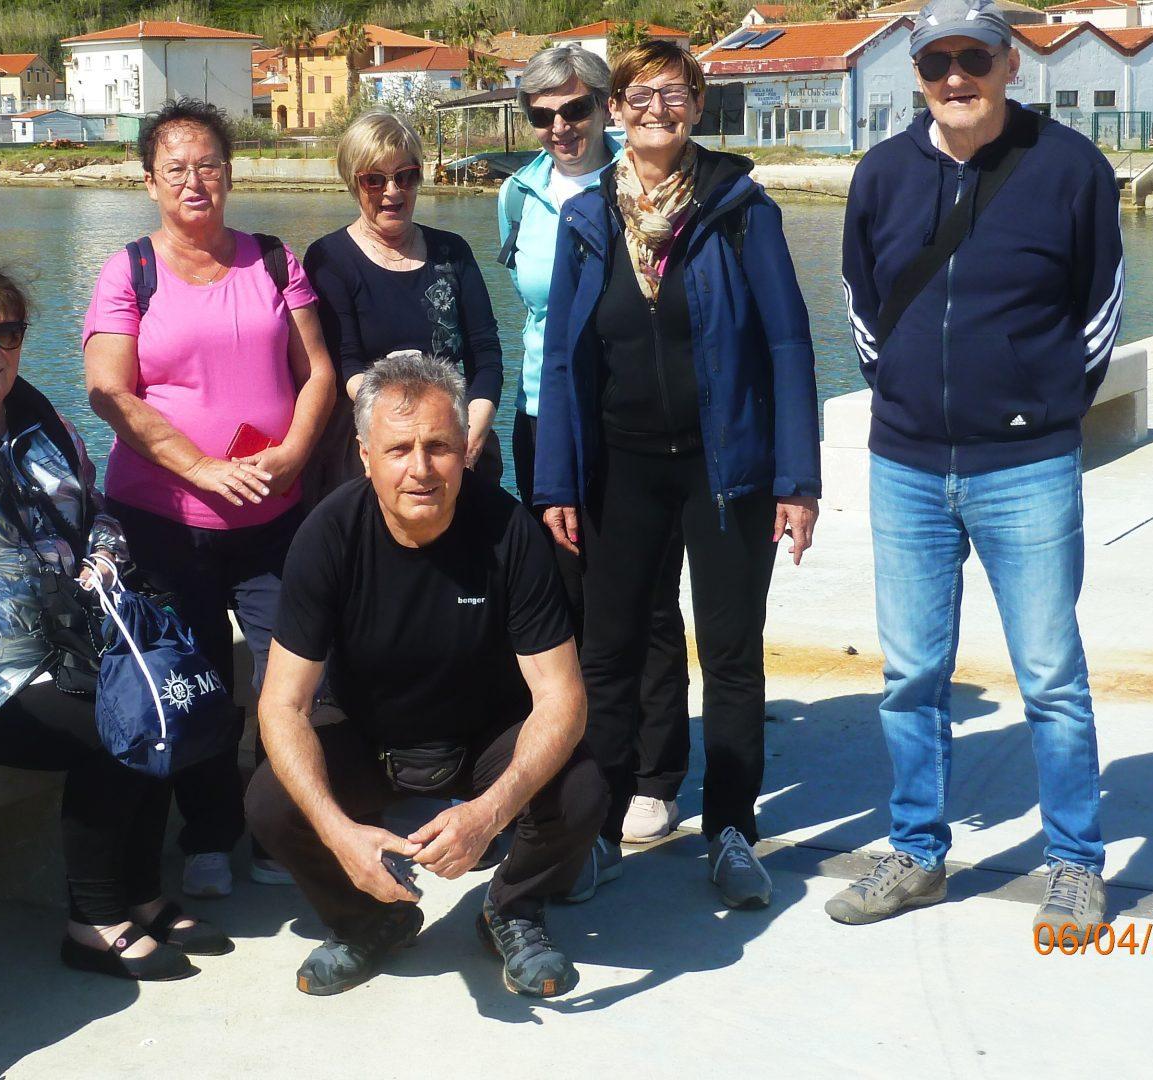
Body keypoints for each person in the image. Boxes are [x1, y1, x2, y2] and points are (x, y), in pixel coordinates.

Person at [830, 0, 1120, 942]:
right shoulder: (881, 174)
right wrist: (906, 398)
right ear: (917, 74)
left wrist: (1044, 407)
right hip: (907, 466)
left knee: (1051, 677)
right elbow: (861, 304)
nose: (956, 77)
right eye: (936, 62)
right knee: (912, 676)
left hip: (1026, 465)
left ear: (1009, 64)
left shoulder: (1070, 168)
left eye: (975, 58)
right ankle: (916, 852)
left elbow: (1099, 306)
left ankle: (1074, 862)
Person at [0, 266, 228, 981]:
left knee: (156, 704)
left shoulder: (34, 414)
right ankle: (93, 921)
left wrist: (105, 557)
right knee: (113, 731)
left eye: (8, 333)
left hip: (48, 646)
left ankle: (141, 893)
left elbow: (93, 507)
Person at [534, 40, 821, 910]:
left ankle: (731, 830)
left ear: (697, 104)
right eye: (638, 94)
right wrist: (557, 484)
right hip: (620, 469)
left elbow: (787, 342)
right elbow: (559, 359)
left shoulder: (741, 210)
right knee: (610, 653)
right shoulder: (588, 219)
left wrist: (796, 479)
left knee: (730, 652)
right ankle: (599, 829)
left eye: (673, 93)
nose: (655, 109)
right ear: (615, 109)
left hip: (726, 469)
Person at [247, 352, 604, 999]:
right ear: (365, 456)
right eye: (398, 448)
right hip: (370, 734)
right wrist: (340, 834)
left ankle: (512, 910)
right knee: (271, 800)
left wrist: (489, 814)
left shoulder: (509, 533)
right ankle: (368, 921)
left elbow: (562, 698)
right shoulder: (328, 536)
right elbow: (282, 705)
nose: (420, 468)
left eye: (438, 447)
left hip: (483, 737)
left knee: (580, 788)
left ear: (465, 449)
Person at [85, 98, 337, 899]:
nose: (194, 181)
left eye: (209, 166)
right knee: (194, 682)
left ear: (230, 174)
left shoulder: (274, 260)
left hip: (272, 519)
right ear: (150, 181)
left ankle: (278, 827)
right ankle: (208, 836)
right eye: (176, 169)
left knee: (292, 679)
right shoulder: (130, 272)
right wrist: (198, 468)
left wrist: (293, 455)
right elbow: (108, 392)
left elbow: (318, 372)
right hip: (163, 522)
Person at [498, 46, 691, 847]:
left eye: (575, 110)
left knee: (648, 597)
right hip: (543, 417)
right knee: (566, 592)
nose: (560, 128)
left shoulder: (639, 181)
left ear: (605, 107)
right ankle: (582, 755)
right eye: (541, 116)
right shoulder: (517, 194)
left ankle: (656, 772)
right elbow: (534, 313)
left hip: (625, 418)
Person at [304, 111, 505, 493]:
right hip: (370, 451)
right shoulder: (329, 258)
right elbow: (345, 365)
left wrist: (470, 433)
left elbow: (486, 354)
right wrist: (404, 429)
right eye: (374, 180)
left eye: (405, 176)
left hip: (455, 441)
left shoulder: (453, 252)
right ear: (353, 182)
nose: (392, 191)